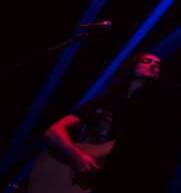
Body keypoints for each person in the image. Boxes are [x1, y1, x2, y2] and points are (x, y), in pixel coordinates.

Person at [43, 53, 162, 184]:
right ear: (132, 67)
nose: (153, 65)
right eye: (146, 61)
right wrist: (77, 156)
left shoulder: (155, 109)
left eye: (157, 65)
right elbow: (53, 131)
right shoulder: (103, 101)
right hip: (87, 179)